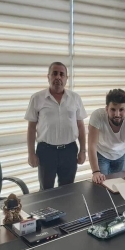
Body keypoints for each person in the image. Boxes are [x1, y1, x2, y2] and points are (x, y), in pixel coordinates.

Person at [25, 62, 87, 190]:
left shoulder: (75, 98)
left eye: (61, 74)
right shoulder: (37, 98)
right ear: (48, 77)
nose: (58, 77)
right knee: (46, 190)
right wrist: (31, 153)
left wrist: (83, 150)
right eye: (54, 73)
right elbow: (31, 128)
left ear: (66, 78)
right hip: (46, 152)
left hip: (69, 151)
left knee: (67, 190)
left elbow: (80, 126)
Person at [88, 89, 125, 184]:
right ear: (107, 109)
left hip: (121, 154)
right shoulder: (97, 116)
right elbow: (91, 145)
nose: (117, 114)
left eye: (121, 110)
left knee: (118, 184)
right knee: (102, 184)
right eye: (113, 109)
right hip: (102, 153)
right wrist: (96, 172)